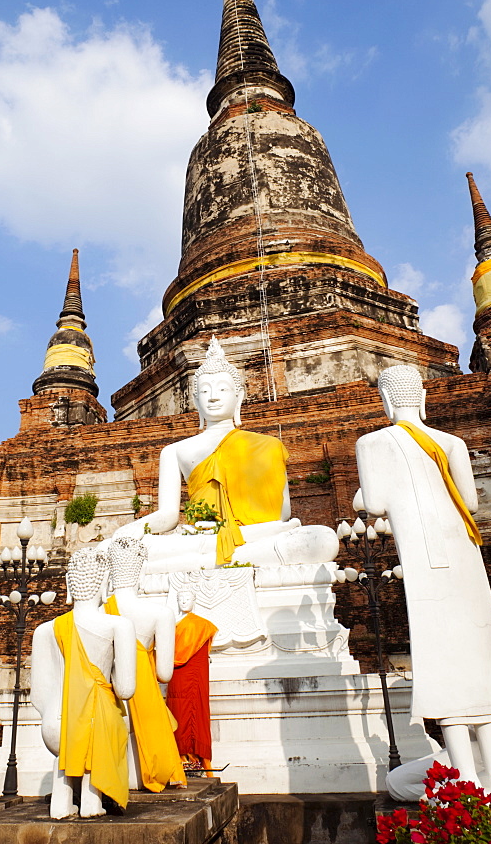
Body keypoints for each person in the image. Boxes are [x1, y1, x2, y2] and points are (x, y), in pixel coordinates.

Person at [355, 364, 491, 799]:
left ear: (387, 401)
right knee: (480, 657)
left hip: (425, 562)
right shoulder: (452, 443)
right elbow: (468, 501)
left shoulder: (372, 443)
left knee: (443, 660)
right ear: (422, 398)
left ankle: (465, 779)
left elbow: (372, 503)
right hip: (464, 554)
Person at [114, 337, 338, 571]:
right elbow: (169, 515)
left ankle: (207, 561)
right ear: (195, 401)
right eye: (204, 390)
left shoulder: (268, 445)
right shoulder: (174, 450)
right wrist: (133, 528)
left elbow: (282, 515)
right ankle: (219, 558)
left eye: (222, 389)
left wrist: (237, 533)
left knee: (321, 540)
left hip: (255, 536)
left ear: (239, 397)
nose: (213, 396)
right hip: (200, 539)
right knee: (118, 548)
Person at [31, 549, 136, 818]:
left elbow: (38, 697)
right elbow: (125, 689)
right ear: (105, 584)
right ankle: (92, 801)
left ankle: (61, 803)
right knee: (107, 722)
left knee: (68, 745)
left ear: (67, 585)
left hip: (55, 724)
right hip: (95, 721)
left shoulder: (45, 630)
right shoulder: (118, 626)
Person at [103, 537, 186, 792]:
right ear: (140, 573)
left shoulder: (100, 612)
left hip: (109, 690)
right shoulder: (160, 614)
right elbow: (164, 674)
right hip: (142, 686)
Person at [166, 590, 218, 773]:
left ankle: (195, 758)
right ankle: (180, 757)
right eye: (180, 599)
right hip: (176, 676)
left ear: (194, 601)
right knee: (177, 711)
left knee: (194, 711)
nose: (184, 602)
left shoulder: (200, 626)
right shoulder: (170, 623)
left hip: (193, 677)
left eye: (188, 599)